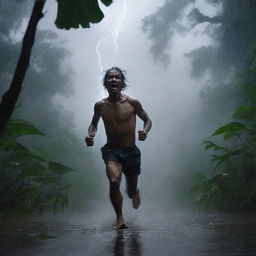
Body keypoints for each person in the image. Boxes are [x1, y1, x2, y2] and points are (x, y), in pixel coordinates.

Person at [85, 67, 152, 230]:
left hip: (131, 152)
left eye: (117, 77)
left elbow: (147, 120)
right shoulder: (100, 105)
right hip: (111, 151)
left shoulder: (133, 103)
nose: (113, 80)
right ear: (105, 83)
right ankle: (120, 218)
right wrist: (90, 135)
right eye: (110, 77)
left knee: (129, 192)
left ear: (122, 82)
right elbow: (93, 124)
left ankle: (134, 192)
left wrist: (145, 131)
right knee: (114, 181)